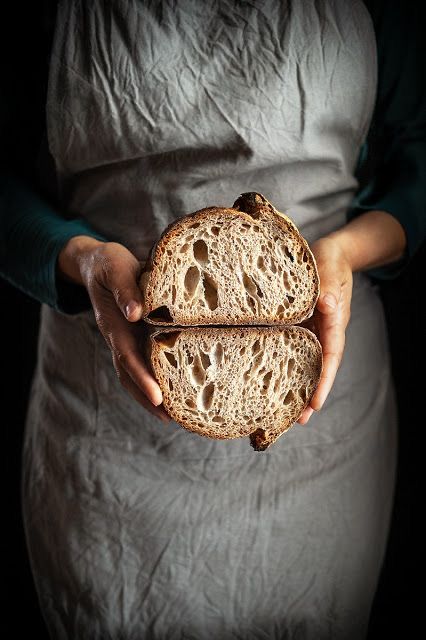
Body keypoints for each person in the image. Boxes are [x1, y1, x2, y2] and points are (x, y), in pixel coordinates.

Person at [1, 1, 425, 638]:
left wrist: (344, 252)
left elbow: (418, 163)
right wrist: (84, 261)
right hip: (107, 443)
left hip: (317, 421)